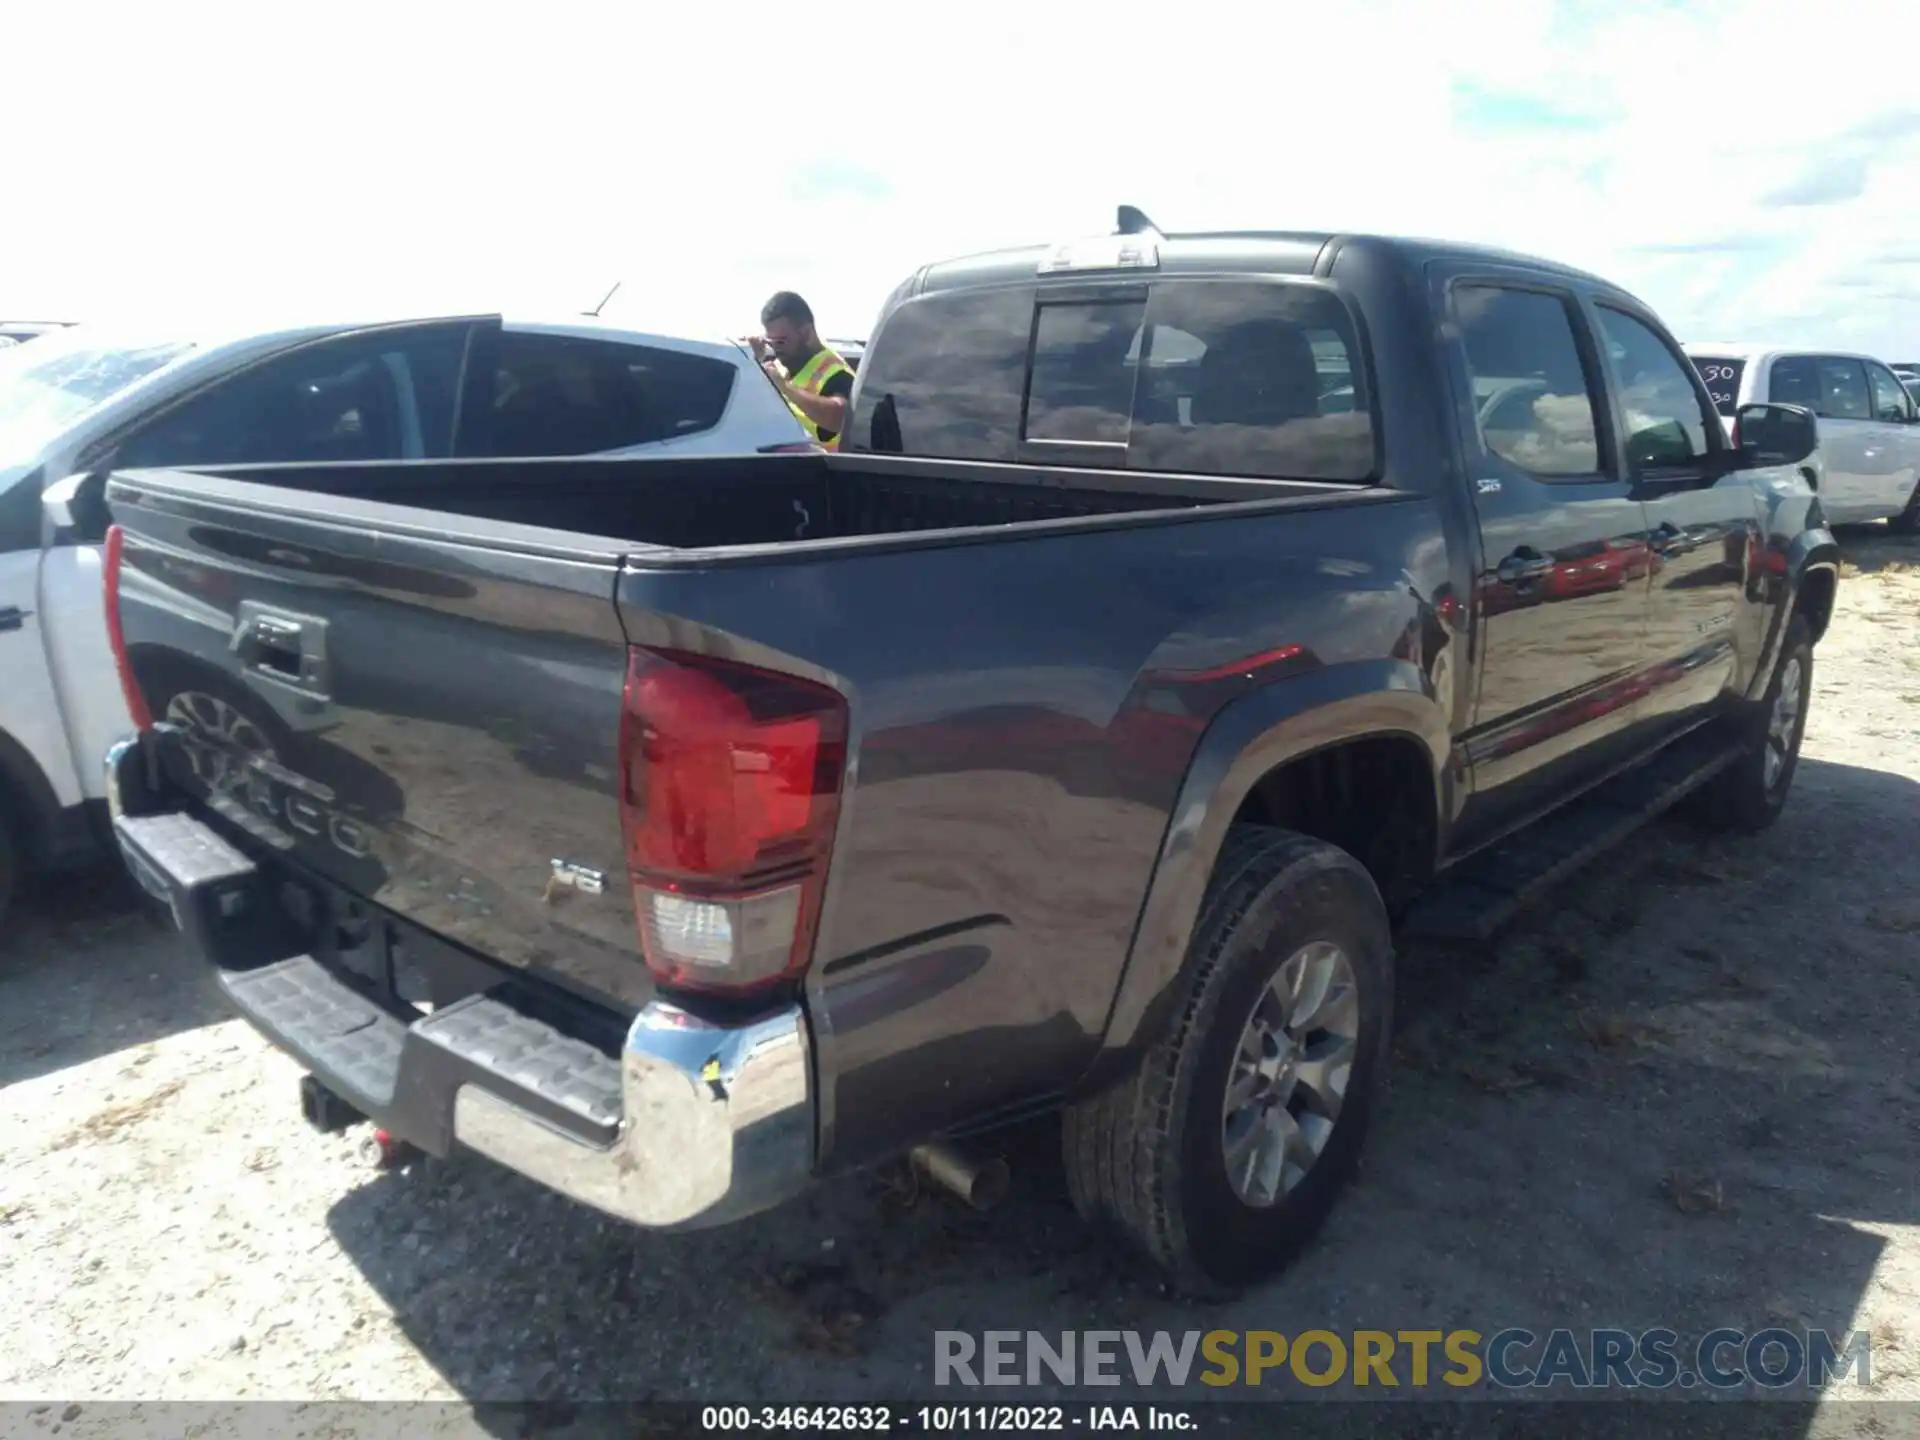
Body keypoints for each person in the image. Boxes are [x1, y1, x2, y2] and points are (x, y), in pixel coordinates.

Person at [748, 291, 854, 449]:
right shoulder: (783, 367)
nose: (776, 349)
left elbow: (838, 418)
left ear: (805, 334)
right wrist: (754, 361)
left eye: (781, 342)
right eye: (772, 342)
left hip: (825, 470)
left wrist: (785, 387)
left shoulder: (835, 372)